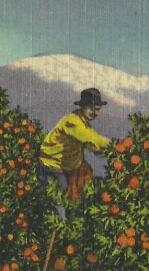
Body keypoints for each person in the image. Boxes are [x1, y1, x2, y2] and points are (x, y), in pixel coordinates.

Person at [38, 88, 116, 216]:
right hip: (53, 167)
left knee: (78, 196)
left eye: (97, 109)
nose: (94, 112)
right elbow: (90, 138)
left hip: (68, 166)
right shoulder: (72, 121)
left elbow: (92, 146)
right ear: (82, 107)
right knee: (61, 204)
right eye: (90, 108)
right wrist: (114, 145)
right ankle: (61, 230)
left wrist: (111, 152)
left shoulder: (83, 124)